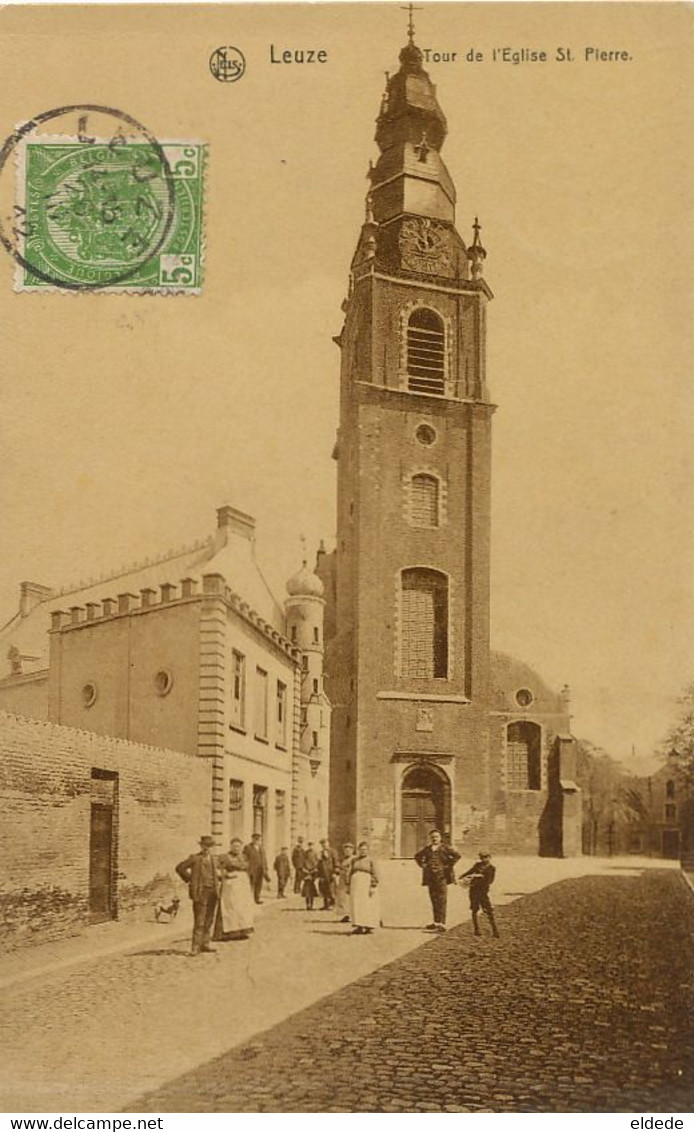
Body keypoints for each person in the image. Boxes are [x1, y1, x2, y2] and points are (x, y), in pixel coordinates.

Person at [176, 835, 220, 955]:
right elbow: (180, 868)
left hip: (213, 892)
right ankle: (195, 947)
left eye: (210, 846)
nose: (207, 848)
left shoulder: (215, 860)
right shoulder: (195, 858)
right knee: (199, 920)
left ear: (213, 847)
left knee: (209, 919)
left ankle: (205, 944)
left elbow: (217, 874)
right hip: (200, 892)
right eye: (205, 845)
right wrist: (191, 879)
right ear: (201, 846)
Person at [414, 829, 460, 933]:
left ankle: (442, 923)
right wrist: (423, 865)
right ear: (430, 838)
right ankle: (436, 922)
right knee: (434, 899)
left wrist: (447, 866)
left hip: (442, 877)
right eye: (432, 837)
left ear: (440, 838)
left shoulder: (446, 848)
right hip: (431, 878)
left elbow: (457, 856)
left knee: (442, 899)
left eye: (436, 837)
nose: (434, 839)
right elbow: (417, 856)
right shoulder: (427, 849)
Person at [216, 837, 254, 941]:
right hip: (231, 884)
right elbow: (217, 870)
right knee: (230, 907)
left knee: (243, 907)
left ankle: (242, 930)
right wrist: (225, 875)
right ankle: (229, 933)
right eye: (234, 846)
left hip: (242, 885)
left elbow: (249, 869)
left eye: (238, 846)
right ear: (231, 846)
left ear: (241, 847)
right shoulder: (224, 857)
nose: (236, 848)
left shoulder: (245, 857)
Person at [459, 851, 500, 939]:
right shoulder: (477, 865)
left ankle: (495, 930)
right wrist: (462, 877)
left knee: (488, 911)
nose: (483, 859)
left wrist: (477, 878)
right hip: (473, 891)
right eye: (482, 857)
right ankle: (476, 929)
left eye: (485, 857)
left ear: (489, 857)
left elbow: (490, 881)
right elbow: (469, 872)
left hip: (483, 892)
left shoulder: (491, 868)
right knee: (474, 909)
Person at [348, 841, 380, 934]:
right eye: (361, 849)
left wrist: (373, 886)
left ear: (368, 850)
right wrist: (348, 884)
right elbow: (350, 872)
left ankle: (368, 926)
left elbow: (375, 873)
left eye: (365, 849)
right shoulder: (354, 860)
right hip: (355, 884)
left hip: (366, 883)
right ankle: (359, 926)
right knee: (356, 904)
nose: (363, 851)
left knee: (367, 905)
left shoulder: (371, 860)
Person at [244, 832, 270, 904]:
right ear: (252, 839)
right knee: (251, 885)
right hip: (251, 870)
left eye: (258, 839)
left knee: (259, 885)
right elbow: (245, 859)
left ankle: (257, 899)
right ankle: (249, 899)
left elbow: (264, 859)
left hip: (260, 870)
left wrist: (265, 868)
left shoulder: (261, 848)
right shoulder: (248, 847)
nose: (257, 841)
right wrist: (247, 868)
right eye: (256, 839)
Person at [316, 838, 339, 910]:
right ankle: (326, 905)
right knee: (324, 889)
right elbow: (319, 864)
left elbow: (336, 862)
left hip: (330, 873)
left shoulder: (333, 852)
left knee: (332, 890)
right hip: (323, 874)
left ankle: (333, 904)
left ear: (328, 843)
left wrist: (335, 872)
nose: (324, 845)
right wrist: (319, 874)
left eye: (325, 843)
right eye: (322, 844)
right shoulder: (320, 853)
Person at [335, 841, 355, 922]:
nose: (347, 852)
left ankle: (351, 915)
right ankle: (346, 914)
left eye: (349, 850)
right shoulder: (343, 859)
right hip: (342, 880)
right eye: (346, 850)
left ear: (352, 850)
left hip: (350, 880)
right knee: (343, 898)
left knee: (350, 897)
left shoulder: (354, 859)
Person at [301, 841, 319, 910]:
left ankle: (311, 904)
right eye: (309, 845)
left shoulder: (315, 853)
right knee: (306, 891)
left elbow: (317, 862)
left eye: (311, 845)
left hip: (313, 872)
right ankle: (307, 904)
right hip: (306, 872)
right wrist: (304, 870)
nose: (310, 846)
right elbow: (303, 862)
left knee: (312, 890)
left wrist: (315, 870)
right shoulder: (305, 853)